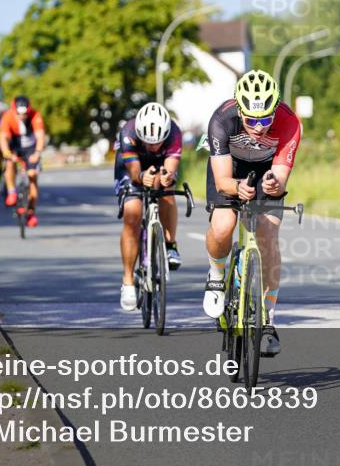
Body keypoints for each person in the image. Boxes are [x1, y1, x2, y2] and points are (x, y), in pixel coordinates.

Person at [203, 70, 301, 356]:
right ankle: (216, 275)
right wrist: (236, 187)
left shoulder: (290, 122)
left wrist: (272, 185)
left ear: (275, 111)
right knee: (223, 225)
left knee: (268, 234)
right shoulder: (222, 119)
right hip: (230, 171)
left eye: (266, 119)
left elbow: (281, 177)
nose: (259, 127)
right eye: (252, 120)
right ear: (239, 108)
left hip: (265, 172)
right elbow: (222, 181)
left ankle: (268, 317)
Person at [114, 102, 184, 311]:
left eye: (157, 142)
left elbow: (170, 169)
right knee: (132, 214)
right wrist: (142, 176)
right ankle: (127, 280)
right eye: (149, 142)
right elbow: (135, 171)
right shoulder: (128, 132)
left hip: (162, 163)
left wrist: (164, 178)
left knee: (167, 191)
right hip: (131, 167)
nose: (153, 146)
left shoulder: (174, 133)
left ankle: (170, 245)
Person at [0, 96, 46, 228]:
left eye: (25, 113)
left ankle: (31, 212)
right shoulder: (7, 117)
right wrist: (7, 153)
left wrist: (37, 153)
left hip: (31, 149)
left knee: (32, 176)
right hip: (15, 146)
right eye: (19, 113)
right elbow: (3, 138)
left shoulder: (36, 116)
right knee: (9, 163)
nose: (22, 116)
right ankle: (12, 191)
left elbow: (40, 136)